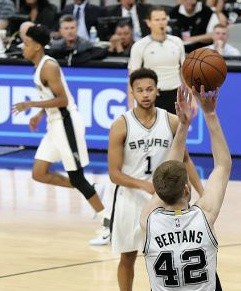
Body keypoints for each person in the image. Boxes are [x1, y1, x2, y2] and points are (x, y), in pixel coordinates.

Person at [11, 24, 110, 245]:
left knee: (76, 176)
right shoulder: (39, 67)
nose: (23, 48)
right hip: (54, 125)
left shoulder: (49, 66)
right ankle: (92, 190)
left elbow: (63, 100)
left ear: (37, 46)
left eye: (26, 44)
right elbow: (52, 98)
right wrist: (39, 115)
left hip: (66, 124)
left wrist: (30, 104)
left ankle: (107, 224)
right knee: (39, 172)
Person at [108, 68, 204, 291]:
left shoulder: (170, 120)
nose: (145, 94)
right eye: (139, 90)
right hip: (130, 199)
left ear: (157, 91)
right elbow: (114, 173)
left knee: (167, 254)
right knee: (128, 256)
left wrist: (202, 191)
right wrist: (146, 185)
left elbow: (186, 158)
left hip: (166, 199)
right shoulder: (121, 125)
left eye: (149, 89)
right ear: (131, 92)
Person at [141, 84, 231, 291]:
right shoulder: (204, 216)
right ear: (187, 189)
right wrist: (210, 113)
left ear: (160, 192)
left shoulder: (149, 221)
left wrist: (181, 126)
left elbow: (168, 171)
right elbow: (223, 166)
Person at [128, 6, 192, 114]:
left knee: (176, 130)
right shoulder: (139, 46)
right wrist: (131, 106)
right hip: (152, 95)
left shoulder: (177, 42)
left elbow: (184, 72)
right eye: (157, 20)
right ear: (148, 22)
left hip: (175, 94)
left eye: (163, 19)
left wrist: (191, 99)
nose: (161, 23)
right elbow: (132, 77)